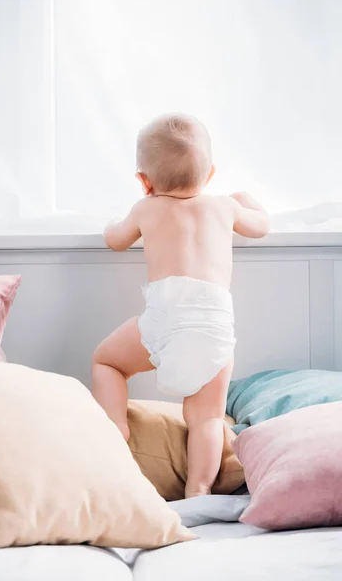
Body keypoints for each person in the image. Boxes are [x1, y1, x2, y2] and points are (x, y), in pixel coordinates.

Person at [92, 113, 270, 498]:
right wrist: (247, 200)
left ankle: (116, 430)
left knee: (107, 362)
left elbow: (116, 240)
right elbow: (262, 224)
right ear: (210, 174)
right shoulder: (224, 207)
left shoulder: (146, 209)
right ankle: (199, 489)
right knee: (206, 418)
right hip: (214, 328)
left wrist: (109, 224)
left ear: (144, 182)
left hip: (167, 319)